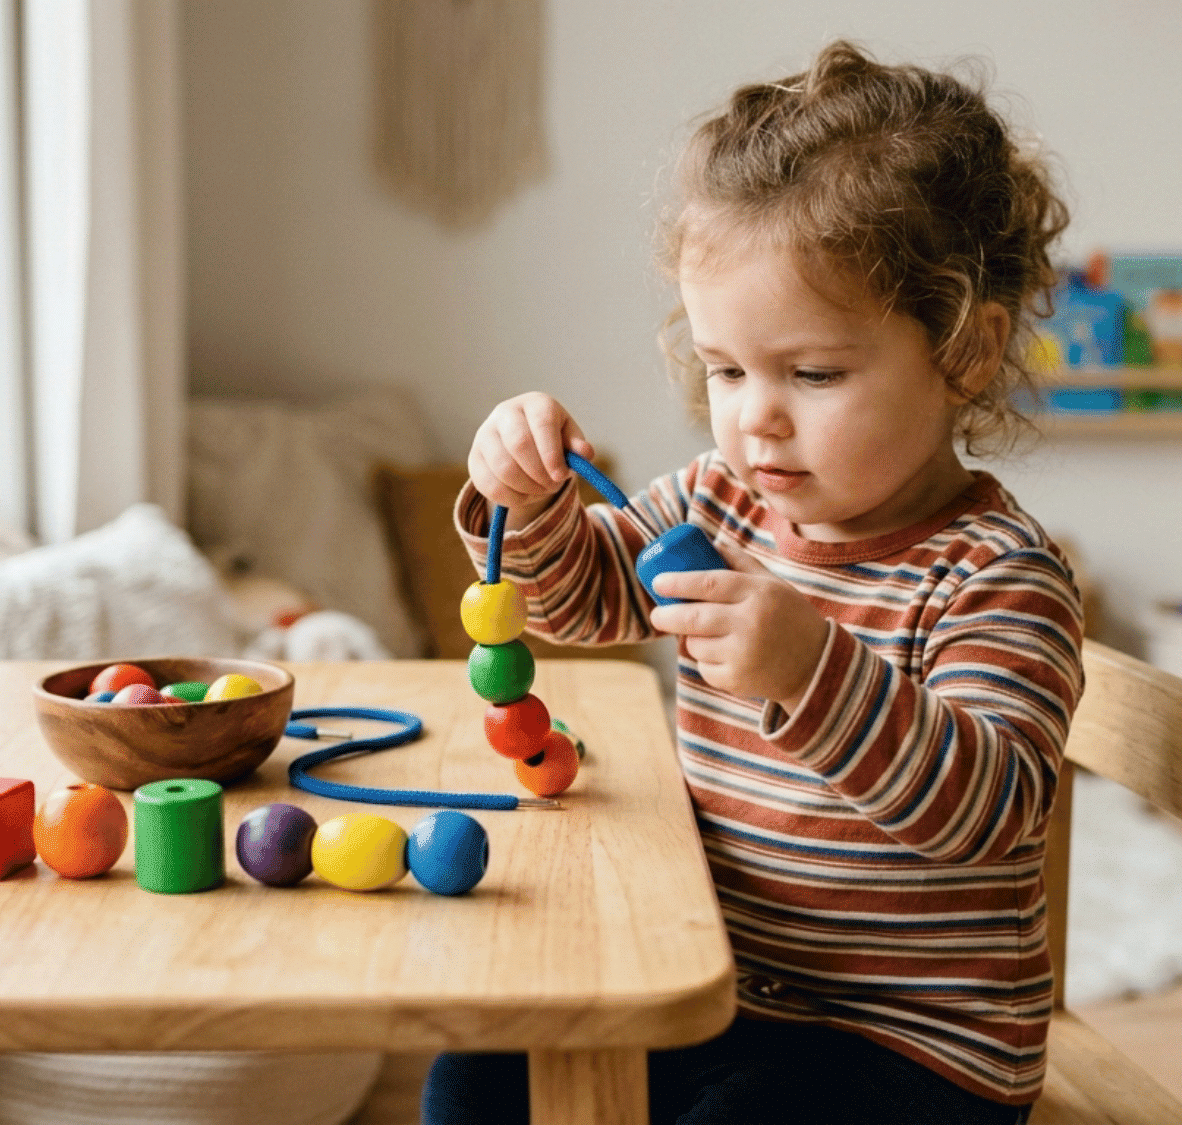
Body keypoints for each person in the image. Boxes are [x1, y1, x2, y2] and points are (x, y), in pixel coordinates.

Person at [429, 39, 1081, 1125]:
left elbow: (985, 812)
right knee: (481, 1073)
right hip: (720, 990)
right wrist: (526, 499)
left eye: (812, 374)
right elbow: (578, 599)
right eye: (727, 369)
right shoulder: (717, 504)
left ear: (966, 352)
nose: (754, 416)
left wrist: (811, 671)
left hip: (911, 1050)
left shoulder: (993, 578)